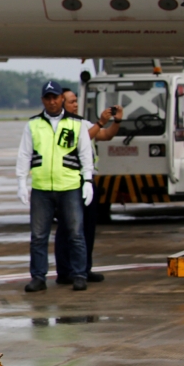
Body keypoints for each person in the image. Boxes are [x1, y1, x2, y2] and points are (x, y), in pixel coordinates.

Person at [16, 80, 94, 292]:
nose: (52, 101)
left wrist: (87, 180)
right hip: (41, 188)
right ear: (43, 100)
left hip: (69, 186)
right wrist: (22, 181)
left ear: (61, 98)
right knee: (39, 236)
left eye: (55, 97)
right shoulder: (33, 125)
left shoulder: (77, 124)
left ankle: (79, 274)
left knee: (76, 233)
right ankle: (38, 277)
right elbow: (24, 154)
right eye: (48, 98)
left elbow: (86, 154)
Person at [54, 88, 122, 284]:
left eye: (76, 101)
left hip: (88, 181)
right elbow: (78, 140)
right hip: (69, 182)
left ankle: (83, 268)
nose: (75, 104)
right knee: (68, 228)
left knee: (88, 227)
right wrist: (100, 122)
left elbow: (106, 135)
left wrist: (116, 121)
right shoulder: (59, 125)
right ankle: (65, 271)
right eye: (71, 101)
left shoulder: (82, 123)